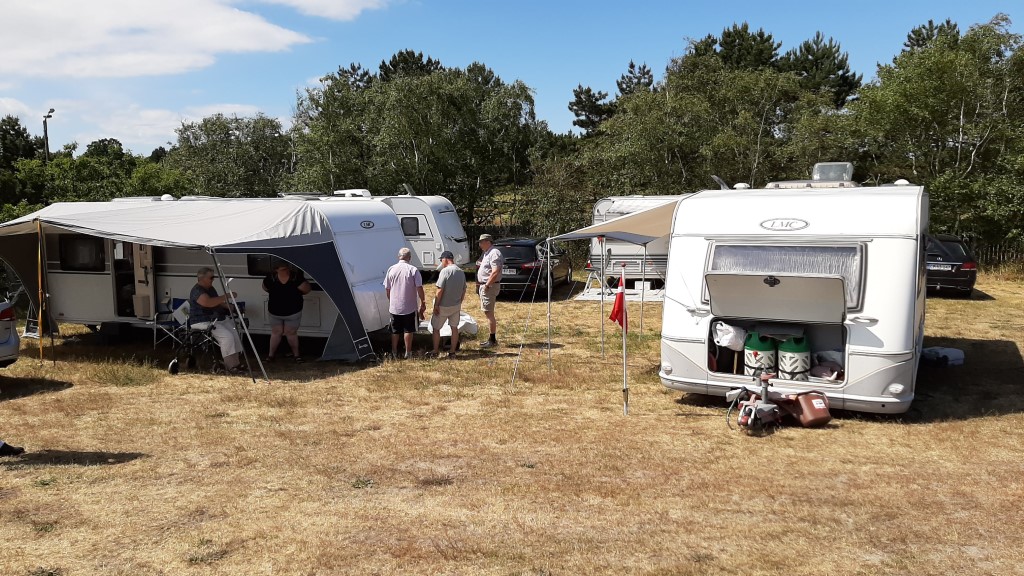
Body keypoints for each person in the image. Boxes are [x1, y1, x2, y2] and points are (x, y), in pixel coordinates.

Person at [190, 267, 246, 373]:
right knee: (227, 337)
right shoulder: (197, 291)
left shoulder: (211, 289)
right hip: (202, 320)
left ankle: (236, 363)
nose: (213, 279)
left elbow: (217, 302)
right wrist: (227, 296)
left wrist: (231, 307)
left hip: (216, 318)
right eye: (211, 277)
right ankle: (230, 366)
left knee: (234, 333)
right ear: (202, 278)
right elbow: (208, 302)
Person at [262, 262, 311, 363]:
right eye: (283, 270)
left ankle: (296, 356)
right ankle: (271, 356)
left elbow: (307, 289)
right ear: (276, 270)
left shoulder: (296, 277)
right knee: (276, 332)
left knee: (291, 333)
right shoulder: (270, 278)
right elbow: (265, 287)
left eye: (286, 269)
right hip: (275, 311)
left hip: (293, 311)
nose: (286, 271)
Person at [383, 247, 426, 359]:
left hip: (394, 306)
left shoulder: (391, 269)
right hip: (409, 306)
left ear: (398, 257)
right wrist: (423, 302)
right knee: (408, 329)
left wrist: (391, 300)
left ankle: (394, 351)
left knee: (395, 330)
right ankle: (408, 352)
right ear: (409, 257)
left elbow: (387, 288)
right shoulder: (413, 270)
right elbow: (419, 288)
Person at [426, 250, 466, 359]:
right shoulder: (461, 271)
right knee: (454, 328)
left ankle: (435, 351)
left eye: (441, 260)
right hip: (456, 306)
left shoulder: (445, 271)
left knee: (436, 328)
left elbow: (440, 290)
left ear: (446, 259)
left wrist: (436, 305)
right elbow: (464, 290)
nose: (441, 262)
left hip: (443, 306)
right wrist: (459, 302)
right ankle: (452, 352)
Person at [476, 233, 503, 349]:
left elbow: (495, 271)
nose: (480, 245)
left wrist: (487, 285)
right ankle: (491, 338)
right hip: (485, 286)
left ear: (488, 242)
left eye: (481, 242)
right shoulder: (487, 253)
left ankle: (492, 340)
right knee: (487, 312)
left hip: (489, 286)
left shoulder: (494, 253)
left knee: (489, 313)